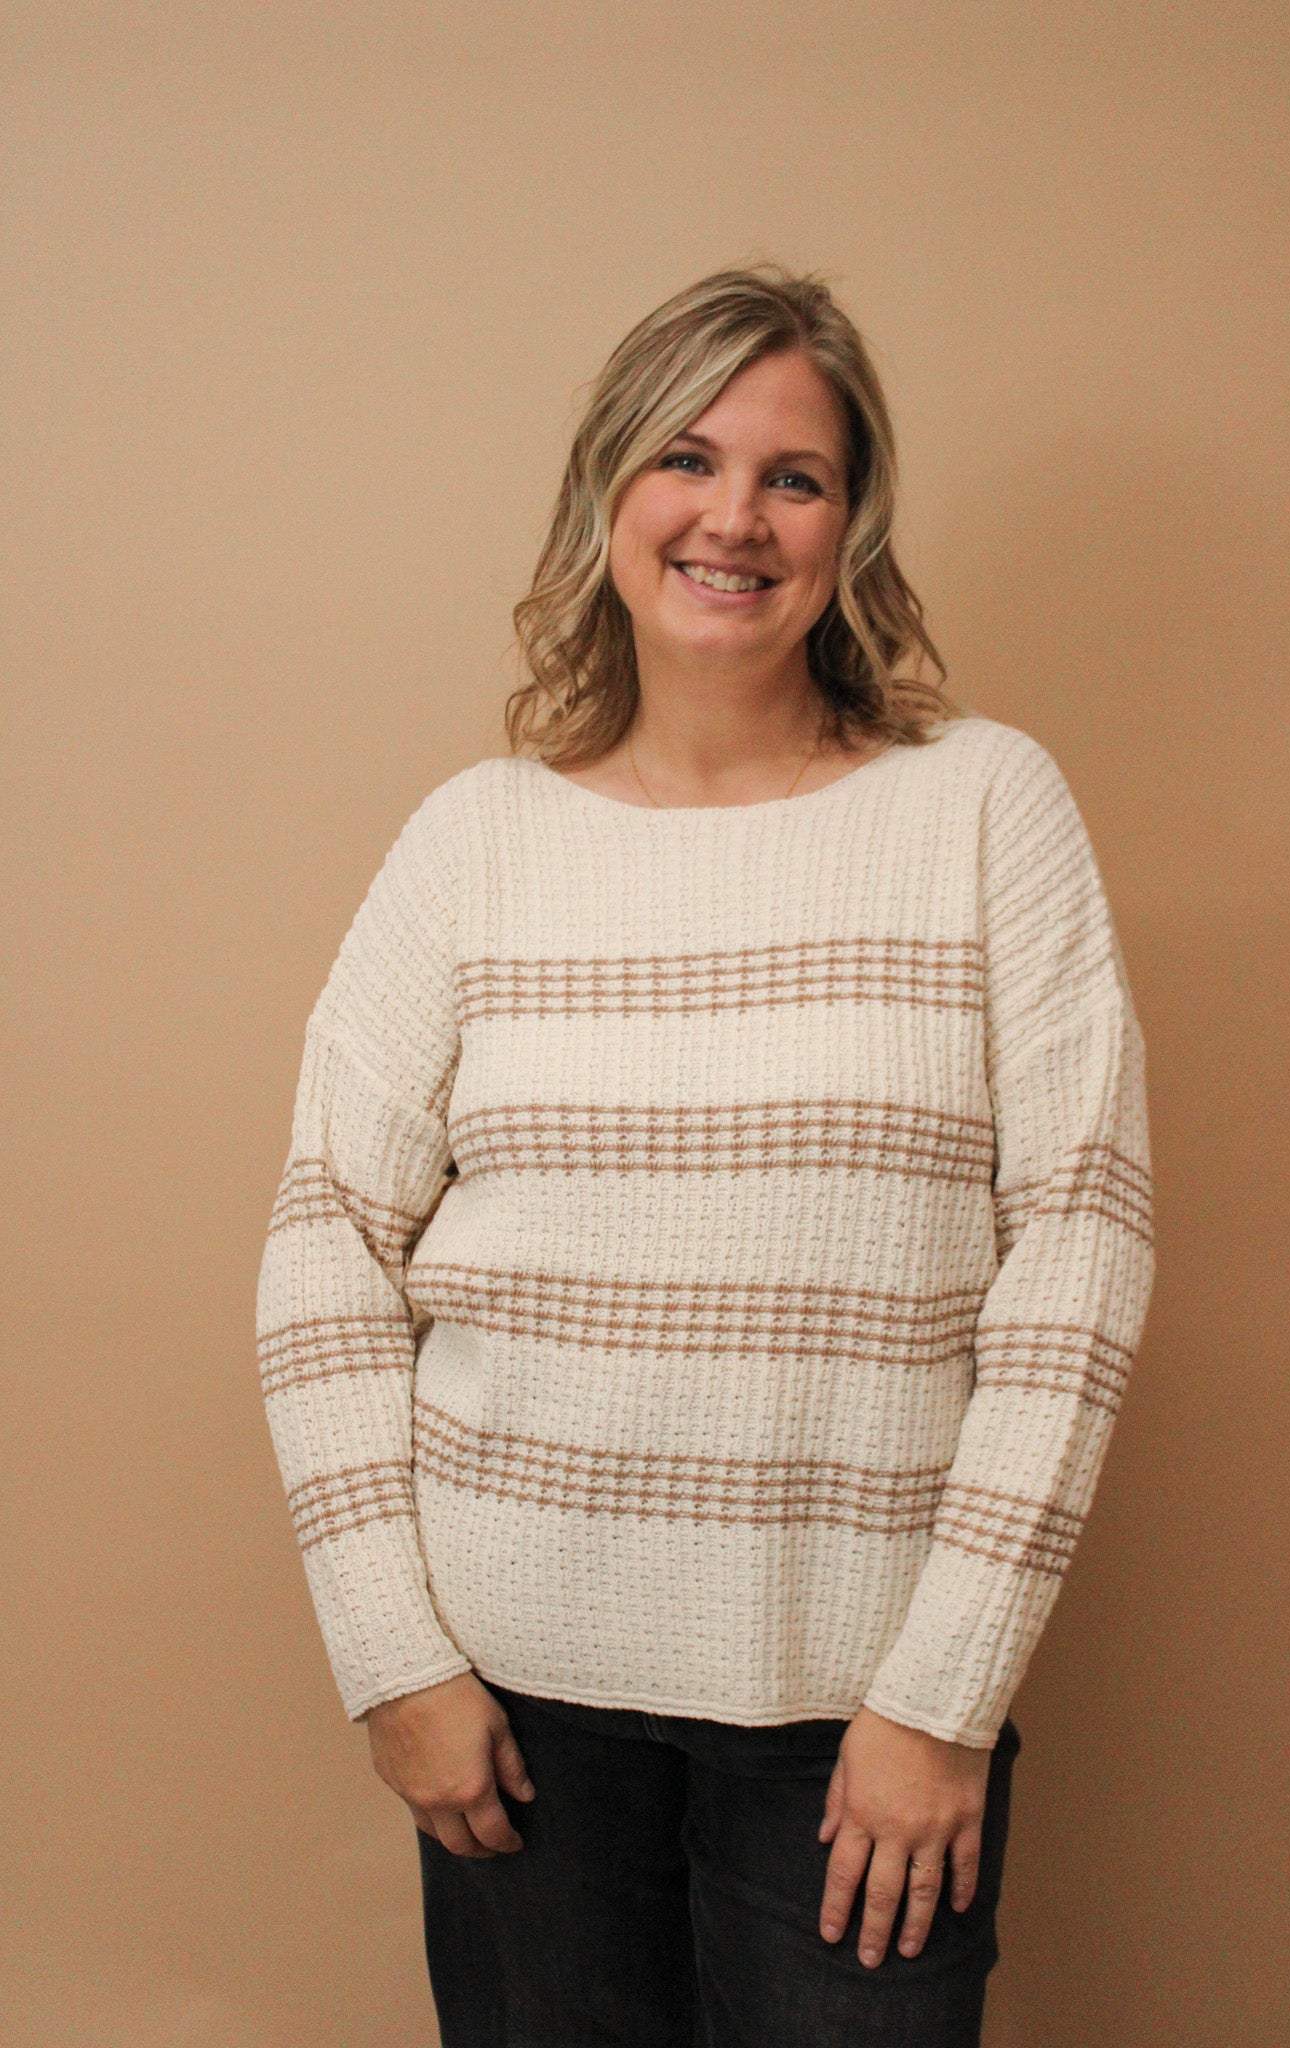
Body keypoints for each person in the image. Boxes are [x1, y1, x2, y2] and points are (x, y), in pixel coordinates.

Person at [257, 265, 1155, 2046]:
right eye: (686, 458)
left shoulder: (984, 807)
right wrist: (394, 1661)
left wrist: (942, 1697)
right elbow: (324, 1252)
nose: (732, 517)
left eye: (791, 476)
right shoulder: (473, 844)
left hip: (862, 1715)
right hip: (513, 1710)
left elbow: (1079, 1248)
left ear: (849, 524)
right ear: (609, 492)